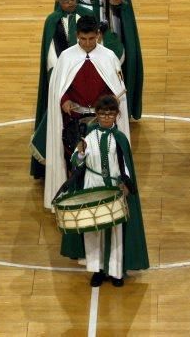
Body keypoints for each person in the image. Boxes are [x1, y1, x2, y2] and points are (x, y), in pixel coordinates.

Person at [31, 0, 124, 180]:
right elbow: (52, 59)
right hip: (69, 90)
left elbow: (106, 61)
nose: (71, 2)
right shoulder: (52, 22)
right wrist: (62, 91)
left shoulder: (88, 16)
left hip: (94, 98)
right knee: (73, 155)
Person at [60, 95, 149, 287]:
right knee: (94, 229)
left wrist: (126, 184)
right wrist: (81, 151)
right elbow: (76, 162)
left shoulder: (120, 138)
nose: (106, 118)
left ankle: (116, 271)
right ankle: (98, 270)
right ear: (97, 115)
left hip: (114, 187)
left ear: (117, 115)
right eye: (102, 114)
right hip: (93, 185)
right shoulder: (88, 134)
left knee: (115, 230)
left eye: (110, 114)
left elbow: (125, 165)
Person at [44, 17, 130, 210]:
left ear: (98, 36)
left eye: (92, 38)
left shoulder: (108, 57)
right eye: (83, 39)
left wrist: (107, 106)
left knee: (105, 159)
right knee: (75, 161)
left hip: (102, 120)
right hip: (75, 120)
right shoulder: (66, 57)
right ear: (77, 36)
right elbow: (59, 87)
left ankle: (108, 200)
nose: (88, 43)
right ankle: (74, 200)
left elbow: (114, 87)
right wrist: (64, 100)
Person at [64, 0, 143, 120]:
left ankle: (107, 105)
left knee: (114, 57)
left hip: (105, 20)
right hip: (81, 21)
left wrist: (116, 2)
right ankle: (79, 103)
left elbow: (122, 0)